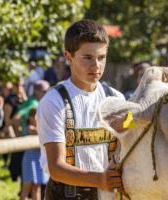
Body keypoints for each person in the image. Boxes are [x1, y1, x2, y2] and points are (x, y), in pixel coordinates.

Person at [36, 19, 124, 199]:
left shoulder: (116, 99)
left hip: (109, 194)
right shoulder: (53, 101)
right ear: (69, 57)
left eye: (101, 57)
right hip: (65, 195)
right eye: (88, 58)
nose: (96, 65)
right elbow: (56, 168)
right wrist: (100, 179)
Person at [20, 107, 49, 200]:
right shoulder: (28, 128)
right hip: (29, 160)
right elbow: (35, 131)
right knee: (26, 188)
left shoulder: (43, 128)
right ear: (31, 118)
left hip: (39, 161)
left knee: (37, 187)